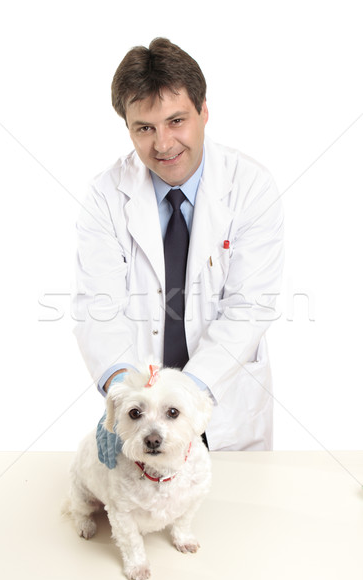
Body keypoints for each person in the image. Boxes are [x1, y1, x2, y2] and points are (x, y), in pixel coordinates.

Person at [72, 38, 284, 466]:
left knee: (241, 524)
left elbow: (249, 307)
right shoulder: (105, 196)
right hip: (142, 425)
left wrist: (184, 398)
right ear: (127, 127)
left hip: (227, 411)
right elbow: (98, 307)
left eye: (176, 120)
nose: (164, 143)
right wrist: (122, 396)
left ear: (204, 111)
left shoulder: (251, 187)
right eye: (144, 128)